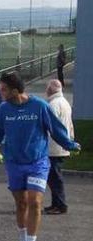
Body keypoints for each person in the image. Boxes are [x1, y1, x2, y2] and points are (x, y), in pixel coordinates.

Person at [0, 73, 79, 241]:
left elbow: (56, 128)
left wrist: (70, 144)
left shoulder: (39, 106)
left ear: (15, 90)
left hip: (37, 162)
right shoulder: (3, 109)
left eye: (3, 89)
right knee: (21, 203)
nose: (1, 93)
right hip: (14, 162)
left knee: (35, 201)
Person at [44, 79, 74, 214]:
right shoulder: (65, 103)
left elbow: (51, 127)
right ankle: (56, 203)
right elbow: (69, 125)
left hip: (54, 147)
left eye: (47, 88)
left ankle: (60, 205)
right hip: (61, 146)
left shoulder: (53, 105)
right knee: (55, 177)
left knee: (54, 178)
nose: (46, 90)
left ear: (50, 90)